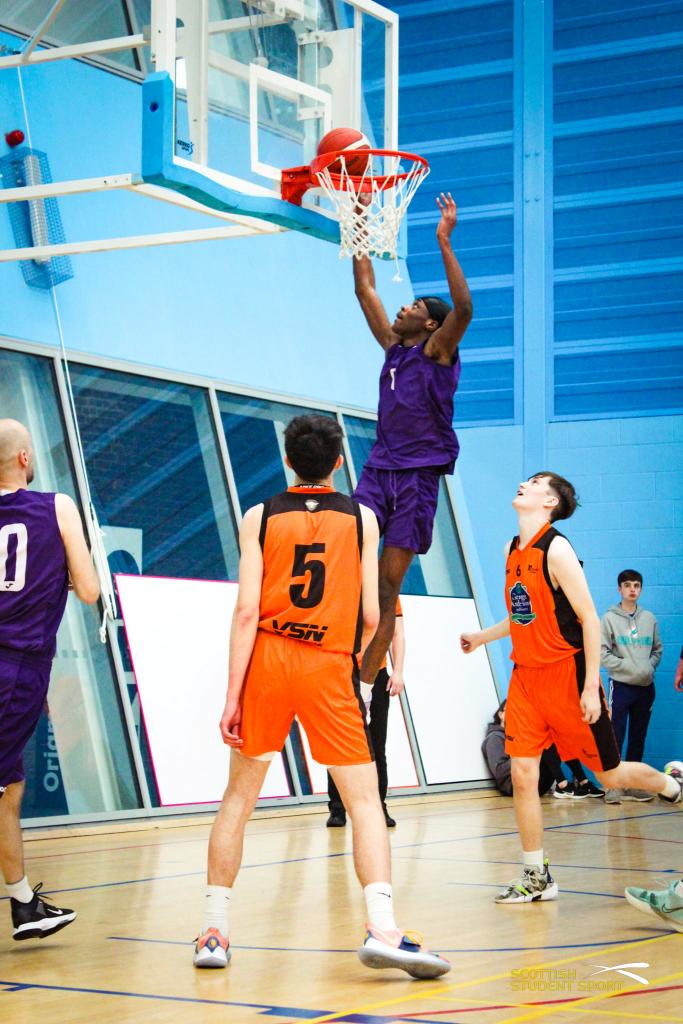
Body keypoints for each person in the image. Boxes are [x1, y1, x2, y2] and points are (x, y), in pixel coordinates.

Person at [194, 414, 449, 979]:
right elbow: (371, 613)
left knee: (238, 798)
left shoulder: (258, 516)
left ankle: (214, 932)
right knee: (363, 802)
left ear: (288, 459)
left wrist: (233, 695)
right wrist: (352, 671)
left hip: (267, 659)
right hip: (328, 665)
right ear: (339, 462)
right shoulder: (362, 517)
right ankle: (382, 926)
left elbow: (244, 613)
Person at [460, 471, 682, 904]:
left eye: (535, 482)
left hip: (567, 675)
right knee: (523, 775)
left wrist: (589, 686)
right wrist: (483, 636)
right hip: (525, 678)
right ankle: (536, 875)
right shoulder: (510, 549)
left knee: (609, 775)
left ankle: (671, 783)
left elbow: (588, 619)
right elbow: (525, 616)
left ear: (550, 502)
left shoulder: (557, 548)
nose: (523, 484)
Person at [352, 192, 472, 703]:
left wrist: (444, 240)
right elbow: (365, 288)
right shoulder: (393, 347)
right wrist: (356, 223)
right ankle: (337, 652)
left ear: (429, 324)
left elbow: (463, 307)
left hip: (419, 478)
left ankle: (363, 686)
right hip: (379, 469)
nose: (403, 306)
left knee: (386, 588)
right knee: (347, 544)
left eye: (415, 306)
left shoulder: (437, 351)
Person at [0, 419, 100, 940]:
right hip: (16, 666)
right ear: (23, 458)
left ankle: (23, 905)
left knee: (10, 788)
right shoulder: (54, 505)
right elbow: (88, 590)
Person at [327, 600, 405, 828]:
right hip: (344, 672)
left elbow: (397, 632)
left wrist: (398, 671)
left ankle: (380, 805)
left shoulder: (386, 589)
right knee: (338, 743)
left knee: (377, 744)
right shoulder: (343, 583)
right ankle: (337, 808)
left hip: (377, 672)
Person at [600, 570, 662, 804]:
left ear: (641, 589)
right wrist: (627, 667)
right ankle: (612, 786)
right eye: (627, 585)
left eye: (636, 585)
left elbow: (657, 650)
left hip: (645, 688)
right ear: (620, 589)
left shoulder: (649, 618)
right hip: (621, 686)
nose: (632, 589)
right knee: (615, 735)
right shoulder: (609, 619)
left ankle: (633, 785)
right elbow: (602, 652)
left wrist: (647, 667)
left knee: (638, 737)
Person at [482, 700, 602, 799]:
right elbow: (500, 771)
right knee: (542, 737)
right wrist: (524, 752)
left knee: (559, 737)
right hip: (516, 787)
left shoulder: (518, 735)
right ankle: (562, 785)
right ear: (501, 715)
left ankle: (584, 783)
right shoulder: (495, 738)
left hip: (536, 781)